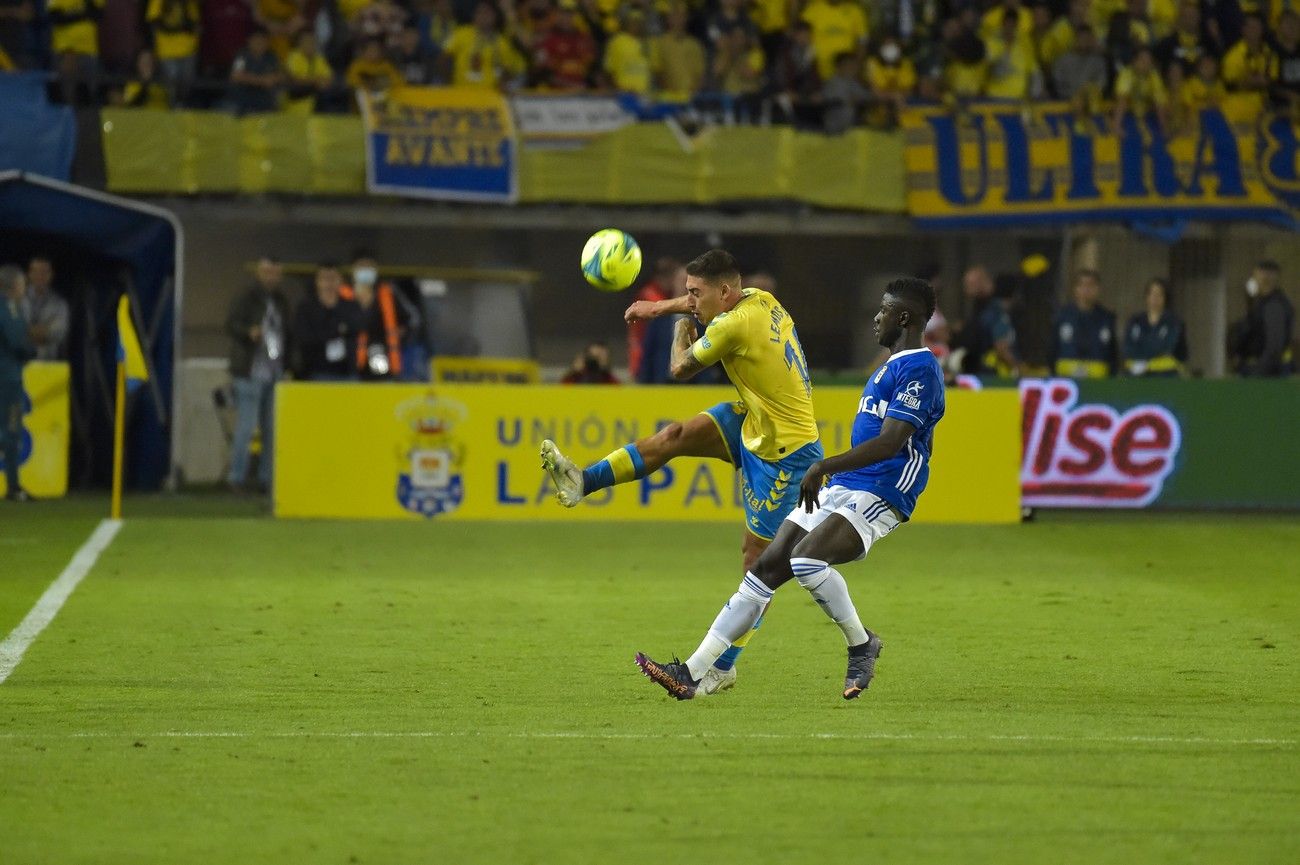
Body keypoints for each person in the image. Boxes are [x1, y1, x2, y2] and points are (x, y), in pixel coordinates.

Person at [634, 277, 943, 701]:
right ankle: (692, 672)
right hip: (847, 486)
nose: (876, 317)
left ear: (904, 317)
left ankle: (861, 644)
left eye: (884, 310)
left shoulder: (920, 369)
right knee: (766, 567)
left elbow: (891, 442)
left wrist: (823, 465)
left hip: (882, 493)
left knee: (806, 560)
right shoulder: (890, 367)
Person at [540, 249, 822, 695]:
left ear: (724, 293)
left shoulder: (732, 324)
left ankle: (723, 666)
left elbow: (679, 367)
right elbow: (700, 303)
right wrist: (658, 307)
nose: (688, 300)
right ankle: (582, 482)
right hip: (754, 419)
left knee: (758, 564)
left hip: (785, 453)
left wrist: (676, 327)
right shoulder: (758, 299)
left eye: (694, 294)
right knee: (674, 436)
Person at [225, 256, 290, 492]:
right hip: (249, 369)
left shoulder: (281, 300)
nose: (270, 277)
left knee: (271, 428)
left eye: (274, 272)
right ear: (259, 273)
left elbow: (287, 332)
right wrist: (248, 332)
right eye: (266, 272)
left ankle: (267, 478)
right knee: (246, 426)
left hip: (274, 370)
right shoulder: (246, 297)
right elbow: (231, 325)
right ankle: (236, 478)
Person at [340, 254, 409, 380]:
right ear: (353, 269)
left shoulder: (386, 293)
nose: (366, 270)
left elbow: (406, 321)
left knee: (379, 386)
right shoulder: (343, 293)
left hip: (379, 353)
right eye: (362, 266)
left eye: (369, 266)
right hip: (348, 358)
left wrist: (401, 331)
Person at [1, 265, 34, 502]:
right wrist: (30, 351)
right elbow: (18, 341)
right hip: (7, 377)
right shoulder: (9, 307)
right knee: (10, 430)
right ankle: (13, 486)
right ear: (15, 286)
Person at [293, 263, 360, 380]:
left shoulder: (350, 306)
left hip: (347, 372)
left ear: (341, 280)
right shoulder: (306, 308)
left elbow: (357, 328)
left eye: (333, 278)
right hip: (315, 371)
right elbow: (305, 338)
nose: (329, 283)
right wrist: (337, 330)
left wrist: (325, 331)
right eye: (325, 278)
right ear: (317, 282)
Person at [956, 264, 1019, 377]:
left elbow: (1001, 346)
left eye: (970, 284)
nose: (966, 289)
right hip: (980, 371)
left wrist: (1018, 369)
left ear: (981, 282)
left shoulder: (994, 309)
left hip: (995, 374)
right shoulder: (979, 308)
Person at [1053, 269, 1117, 378]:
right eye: (1082, 285)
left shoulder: (1107, 318)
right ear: (1075, 289)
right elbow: (1053, 349)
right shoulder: (1063, 316)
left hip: (1098, 380)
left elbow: (1112, 352)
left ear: (1098, 289)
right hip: (1067, 379)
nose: (1086, 289)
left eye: (1091, 285)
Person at [1236, 260, 1295, 376]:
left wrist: (1258, 373)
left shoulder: (1274, 305)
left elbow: (1274, 347)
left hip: (1267, 371)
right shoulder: (1261, 303)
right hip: (1263, 368)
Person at [1124, 277, 1188, 376]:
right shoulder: (1135, 321)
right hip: (1137, 375)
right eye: (1152, 294)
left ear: (1165, 297)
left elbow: (1165, 346)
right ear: (1146, 296)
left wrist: (1144, 355)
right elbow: (1128, 348)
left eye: (1159, 294)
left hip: (1165, 376)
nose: (1155, 298)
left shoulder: (1174, 322)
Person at [24, 257, 69, 361]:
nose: (40, 276)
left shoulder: (60, 304)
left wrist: (27, 332)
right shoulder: (14, 300)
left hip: (46, 365)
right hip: (16, 365)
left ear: (51, 275)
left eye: (44, 272)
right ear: (29, 274)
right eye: (36, 271)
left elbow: (59, 332)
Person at [230, 28, 283, 114]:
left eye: (262, 40)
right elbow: (236, 75)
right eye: (256, 40)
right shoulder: (242, 56)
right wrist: (262, 81)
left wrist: (274, 78)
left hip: (266, 103)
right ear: (249, 41)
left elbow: (281, 74)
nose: (259, 43)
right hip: (244, 104)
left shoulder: (271, 56)